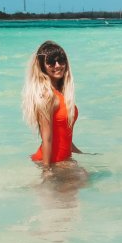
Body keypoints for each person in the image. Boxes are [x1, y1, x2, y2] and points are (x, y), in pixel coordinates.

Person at [22, 41, 81, 171]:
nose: (57, 65)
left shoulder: (62, 93)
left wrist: (82, 153)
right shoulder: (47, 97)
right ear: (42, 66)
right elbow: (47, 138)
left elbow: (64, 134)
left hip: (63, 160)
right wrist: (47, 171)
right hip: (52, 162)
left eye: (61, 60)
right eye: (51, 62)